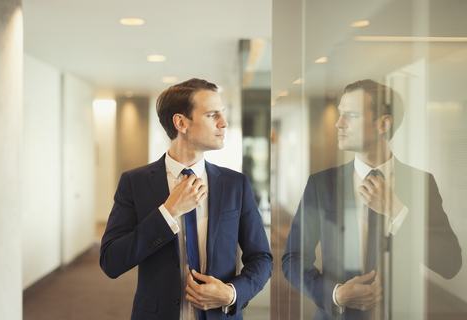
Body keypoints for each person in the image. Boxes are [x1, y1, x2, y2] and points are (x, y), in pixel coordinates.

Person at [282, 79, 462, 320]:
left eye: (351, 115)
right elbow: (293, 259)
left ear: (383, 124)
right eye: (340, 114)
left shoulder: (421, 183)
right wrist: (335, 294)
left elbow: (450, 264)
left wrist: (397, 213)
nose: (339, 123)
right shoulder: (321, 184)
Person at [100, 78, 273, 320]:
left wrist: (232, 293)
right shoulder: (134, 182)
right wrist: (168, 212)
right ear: (181, 122)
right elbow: (111, 262)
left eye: (222, 114)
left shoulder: (236, 184)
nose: (224, 123)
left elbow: (261, 258)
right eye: (213, 115)